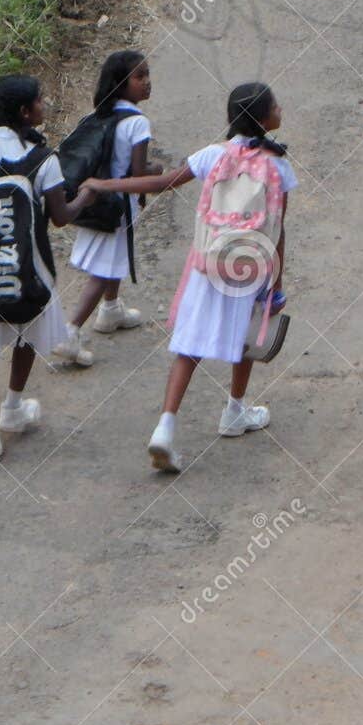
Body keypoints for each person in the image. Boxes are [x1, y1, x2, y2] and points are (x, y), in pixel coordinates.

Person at [86, 82, 295, 473]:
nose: (281, 109)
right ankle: (235, 410)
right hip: (250, 268)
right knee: (246, 339)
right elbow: (279, 227)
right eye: (276, 105)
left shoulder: (213, 155)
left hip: (207, 263)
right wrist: (276, 283)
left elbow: (161, 183)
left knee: (188, 348)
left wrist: (107, 185)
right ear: (265, 119)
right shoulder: (279, 165)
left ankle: (166, 426)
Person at [0, 74, 94, 469]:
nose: (44, 106)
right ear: (26, 112)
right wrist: (86, 195)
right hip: (29, 268)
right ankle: (12, 406)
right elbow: (61, 217)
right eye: (40, 101)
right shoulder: (43, 159)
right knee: (26, 331)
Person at [54, 51, 153, 368]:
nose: (147, 82)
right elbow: (138, 175)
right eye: (139, 77)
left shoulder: (98, 116)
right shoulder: (138, 123)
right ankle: (69, 332)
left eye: (147, 74)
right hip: (118, 204)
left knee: (112, 258)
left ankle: (111, 310)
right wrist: (158, 169)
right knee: (103, 269)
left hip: (94, 200)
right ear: (121, 83)